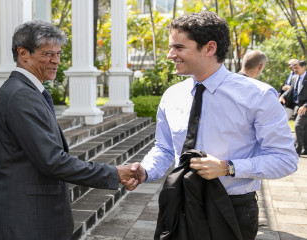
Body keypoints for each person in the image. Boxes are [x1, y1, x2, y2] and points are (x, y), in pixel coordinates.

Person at [122, 11, 298, 240]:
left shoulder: (258, 95)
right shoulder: (172, 96)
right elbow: (165, 148)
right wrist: (145, 170)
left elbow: (285, 159)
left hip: (232, 209)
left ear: (209, 48)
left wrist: (228, 167)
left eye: (178, 47)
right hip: (180, 203)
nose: (170, 55)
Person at [0, 20, 139, 240]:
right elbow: (52, 161)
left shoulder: (26, 91)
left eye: (59, 54)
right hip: (25, 220)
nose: (56, 61)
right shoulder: (21, 95)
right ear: (23, 53)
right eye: (48, 54)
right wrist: (114, 173)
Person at [280, 60, 307, 154]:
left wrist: (305, 106)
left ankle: (297, 149)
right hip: (296, 106)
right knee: (304, 127)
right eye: (294, 68)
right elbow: (291, 90)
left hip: (304, 107)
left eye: (297, 68)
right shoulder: (295, 78)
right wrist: (283, 96)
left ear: (304, 67)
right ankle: (305, 148)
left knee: (298, 126)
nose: (295, 70)